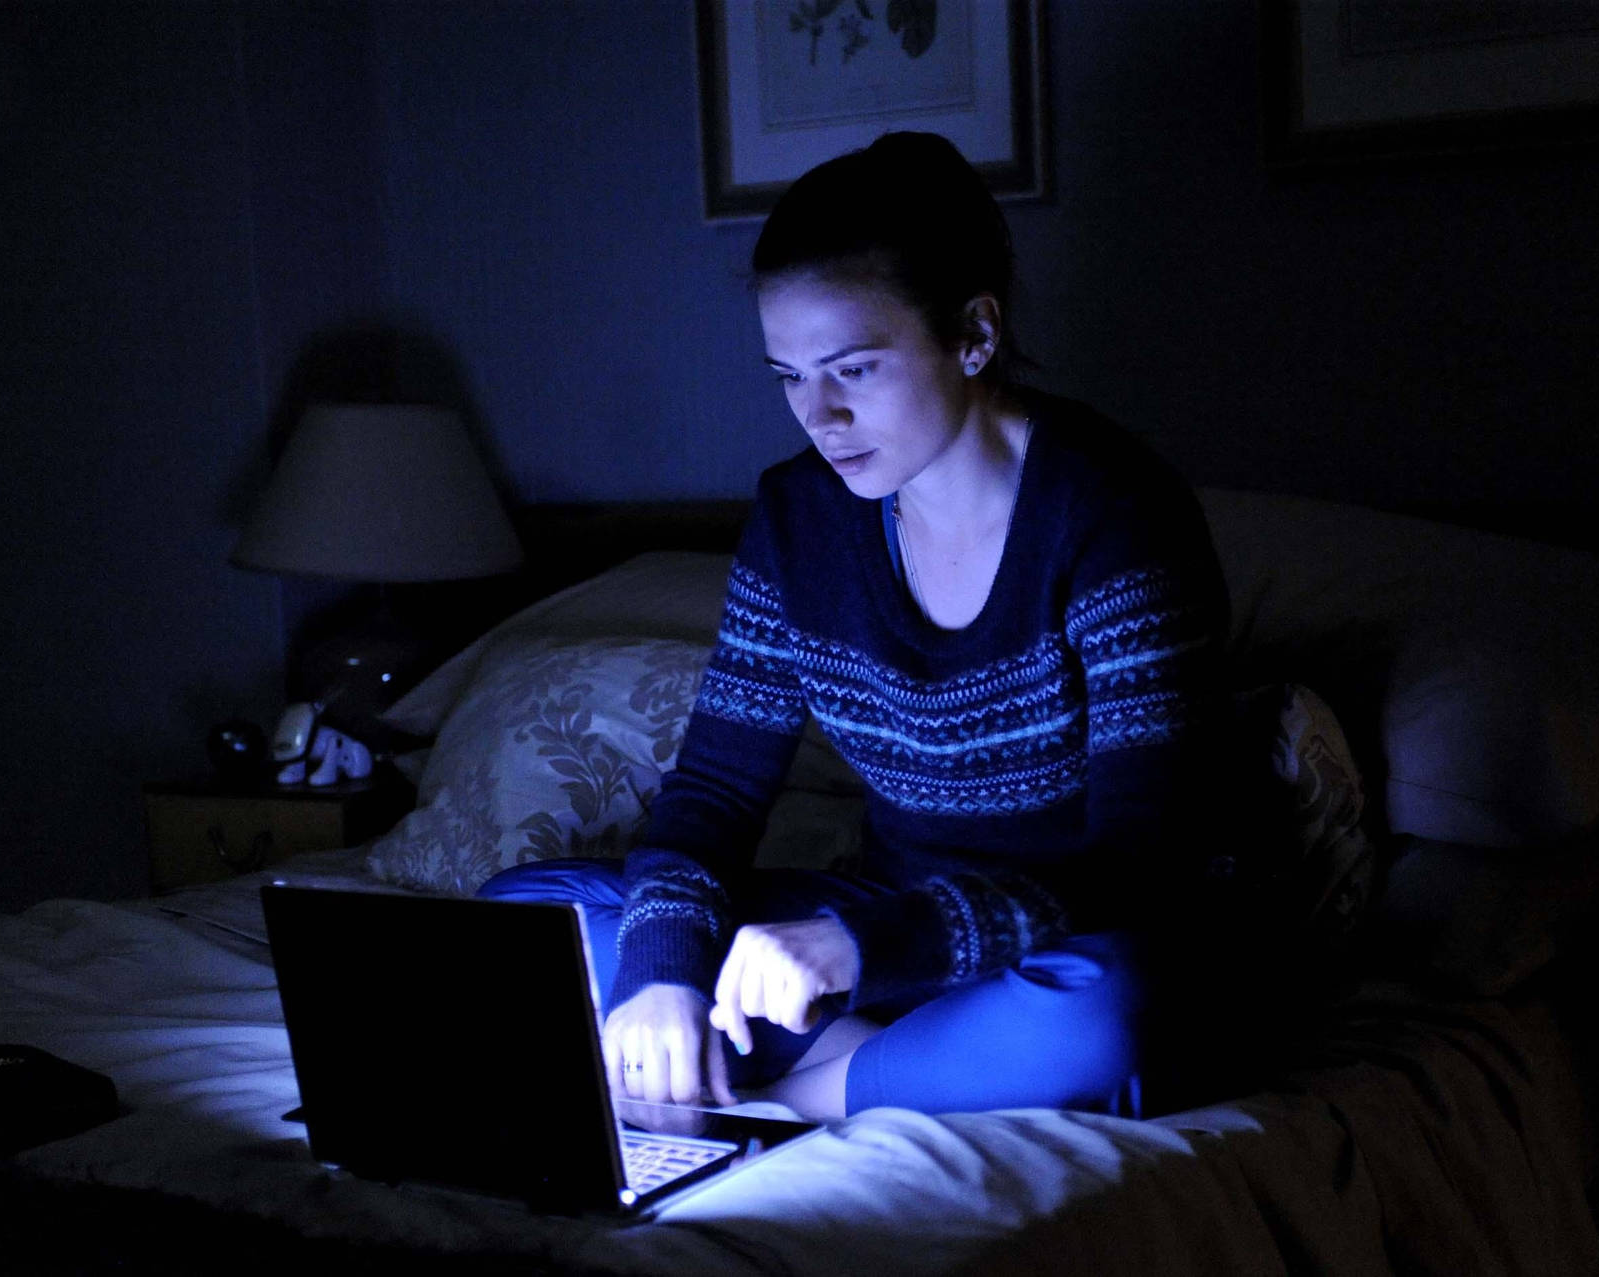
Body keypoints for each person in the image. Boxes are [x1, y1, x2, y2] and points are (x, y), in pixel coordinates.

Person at [479, 131, 1249, 1121]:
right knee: (536, 915)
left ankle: (820, 1089)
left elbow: (1142, 862)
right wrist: (666, 974)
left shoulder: (1114, 516)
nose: (820, 415)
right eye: (788, 376)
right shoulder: (799, 520)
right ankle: (895, 1062)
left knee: (1108, 1014)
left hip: (1071, 942)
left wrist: (864, 949)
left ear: (974, 333)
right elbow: (714, 789)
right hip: (877, 937)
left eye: (854, 369)